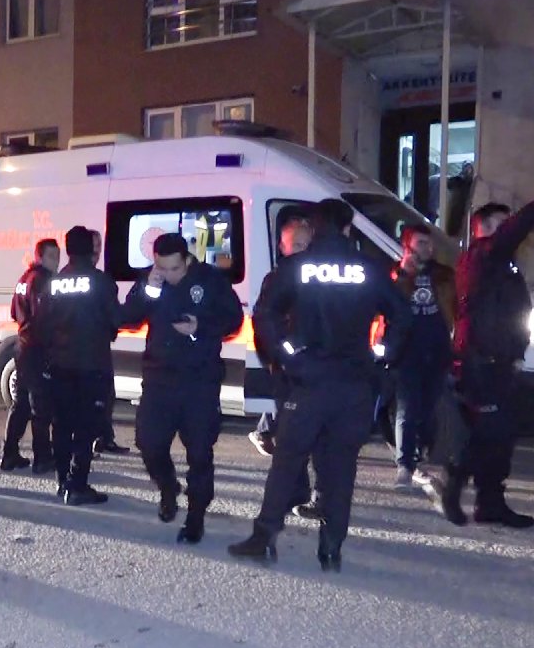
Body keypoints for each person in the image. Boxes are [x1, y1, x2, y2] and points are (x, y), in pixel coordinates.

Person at [228, 199, 409, 571]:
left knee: (287, 461)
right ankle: (331, 547)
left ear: (314, 227)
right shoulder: (369, 269)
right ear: (347, 228)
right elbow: (402, 314)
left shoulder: (297, 267)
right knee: (341, 467)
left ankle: (264, 536)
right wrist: (381, 352)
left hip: (308, 381)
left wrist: (288, 354)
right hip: (354, 384)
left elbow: (265, 314)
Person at [440, 165, 534, 528]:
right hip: (482, 363)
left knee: (496, 434)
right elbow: (511, 235)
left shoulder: (499, 264)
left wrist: (517, 353)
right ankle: (462, 485)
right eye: (503, 224)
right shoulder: (482, 256)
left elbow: (511, 312)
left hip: (496, 361)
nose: (511, 230)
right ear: (485, 228)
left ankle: (484, 499)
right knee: (493, 432)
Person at [122, 233, 243, 542]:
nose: (168, 275)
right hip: (159, 379)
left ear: (187, 260)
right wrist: (149, 289)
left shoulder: (210, 280)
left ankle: (195, 516)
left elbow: (234, 320)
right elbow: (129, 318)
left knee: (200, 453)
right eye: (162, 268)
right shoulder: (152, 280)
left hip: (199, 381)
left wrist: (200, 327)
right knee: (149, 444)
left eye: (174, 269)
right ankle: (168, 487)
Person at [40, 226, 121, 505]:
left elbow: (44, 323)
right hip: (91, 365)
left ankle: (63, 480)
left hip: (59, 365)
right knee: (86, 427)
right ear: (90, 249)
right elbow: (115, 321)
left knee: (62, 425)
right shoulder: (100, 281)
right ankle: (77, 485)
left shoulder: (54, 282)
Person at [389, 223, 455, 488]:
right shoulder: (396, 274)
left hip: (437, 349)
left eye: (430, 243)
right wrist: (406, 274)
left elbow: (456, 305)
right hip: (407, 351)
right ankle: (405, 465)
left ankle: (420, 450)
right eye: (421, 243)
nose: (428, 248)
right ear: (408, 246)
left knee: (428, 408)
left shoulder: (444, 274)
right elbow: (391, 305)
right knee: (406, 408)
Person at [248, 213, 312, 458]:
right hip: (287, 359)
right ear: (282, 248)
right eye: (296, 244)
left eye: (306, 245)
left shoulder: (315, 277)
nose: (302, 250)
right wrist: (282, 352)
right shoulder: (276, 280)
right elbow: (265, 321)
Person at [1, 238, 60, 473]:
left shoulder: (24, 279)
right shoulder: (42, 281)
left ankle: (9, 454)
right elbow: (45, 318)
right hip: (38, 349)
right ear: (39, 257)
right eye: (52, 256)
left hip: (23, 347)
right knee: (40, 406)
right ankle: (42, 457)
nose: (57, 261)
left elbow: (14, 313)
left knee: (21, 405)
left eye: (58, 256)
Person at [88, 228, 131, 456]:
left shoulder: (66, 277)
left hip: (82, 348)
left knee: (104, 396)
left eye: (99, 245)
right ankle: (93, 442)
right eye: (94, 245)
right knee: (98, 397)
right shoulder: (101, 280)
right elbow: (114, 316)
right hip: (94, 350)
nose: (98, 250)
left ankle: (103, 438)